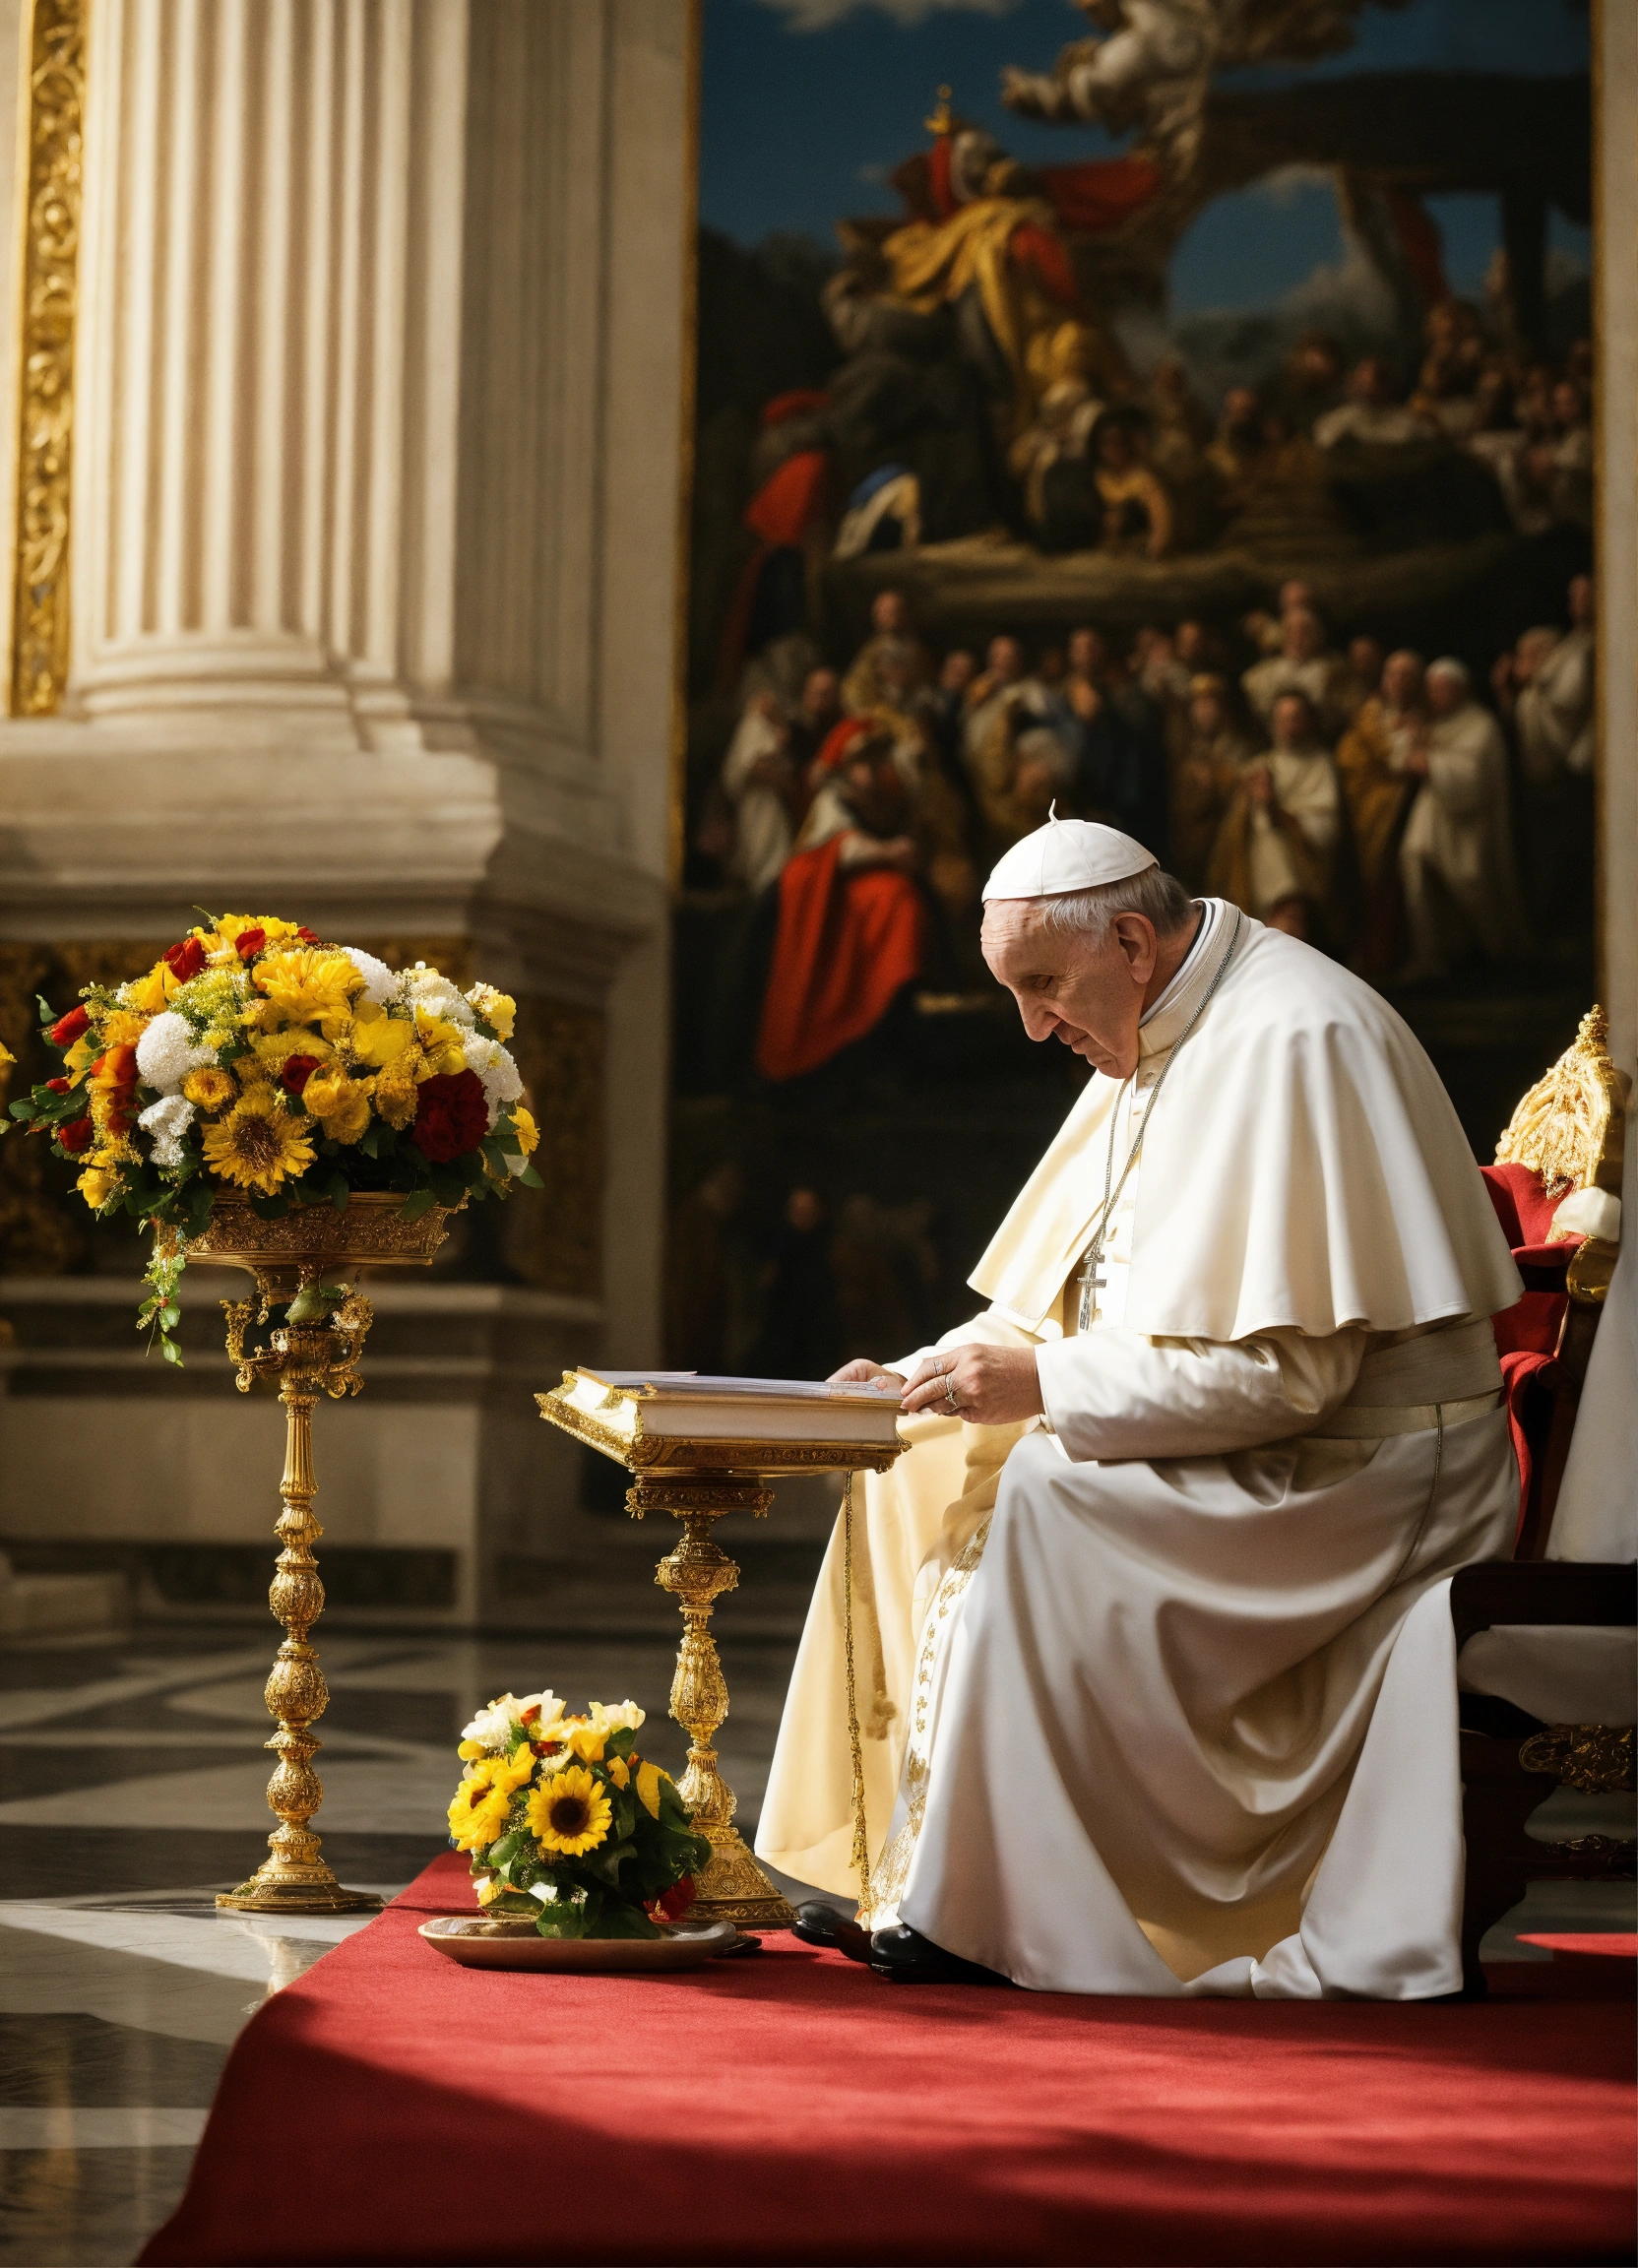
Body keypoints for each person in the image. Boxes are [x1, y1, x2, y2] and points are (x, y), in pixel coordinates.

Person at [759, 816, 1521, 1995]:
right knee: (909, 1462)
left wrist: (1042, 1389)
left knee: (1043, 1495)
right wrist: (918, 1374)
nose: (1032, 1027)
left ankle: (1002, 1919)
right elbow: (1064, 1298)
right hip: (1265, 1438)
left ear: (1127, 940)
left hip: (1368, 1472)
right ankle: (917, 1883)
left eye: (1042, 988)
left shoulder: (1296, 1038)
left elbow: (1292, 1382)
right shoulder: (1145, 1030)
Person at [755, 718, 927, 1083]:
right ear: (848, 768)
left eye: (879, 761)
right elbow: (842, 849)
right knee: (894, 899)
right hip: (830, 898)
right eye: (865, 763)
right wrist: (888, 852)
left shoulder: (888, 801)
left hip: (866, 894)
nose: (874, 770)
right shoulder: (833, 801)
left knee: (901, 899)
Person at [1398, 658, 1527, 983]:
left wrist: (1431, 764)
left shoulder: (1481, 724)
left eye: (1443, 689)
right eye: (1432, 690)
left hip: (1470, 825)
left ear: (1461, 690)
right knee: (1413, 860)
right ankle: (1431, 956)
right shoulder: (1433, 725)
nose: (1436, 696)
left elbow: (1474, 780)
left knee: (1471, 880)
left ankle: (1494, 953)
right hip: (1434, 816)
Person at [1206, 690, 1343, 943]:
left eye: (1295, 718)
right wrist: (1251, 801)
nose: (1288, 727)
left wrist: (1278, 812)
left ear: (1308, 722)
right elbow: (1237, 830)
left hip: (1305, 865)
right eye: (1282, 719)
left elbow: (1325, 831)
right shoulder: (1261, 765)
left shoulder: (1320, 764)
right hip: (1257, 872)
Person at [1335, 648, 1424, 974]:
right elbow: (1367, 760)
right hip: (1369, 812)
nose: (1399, 682)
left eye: (1407, 676)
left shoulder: (1424, 716)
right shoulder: (1370, 714)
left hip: (1407, 812)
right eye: (1394, 675)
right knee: (1371, 886)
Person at [1166, 672, 1252, 893]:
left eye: (1209, 703)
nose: (1204, 711)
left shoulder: (1238, 747)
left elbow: (1240, 787)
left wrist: (1217, 778)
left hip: (1226, 835)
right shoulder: (1184, 749)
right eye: (1198, 704)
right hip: (1191, 841)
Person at [1240, 606, 1350, 740]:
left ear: (1317, 636)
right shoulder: (1258, 676)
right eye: (1291, 632)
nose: (1297, 639)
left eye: (1305, 633)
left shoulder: (1334, 672)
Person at [842, 590, 935, 716]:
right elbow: (856, 686)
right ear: (877, 616)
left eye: (897, 611)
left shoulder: (918, 651)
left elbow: (927, 685)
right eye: (887, 612)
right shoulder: (871, 651)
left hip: (912, 711)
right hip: (880, 713)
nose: (893, 617)